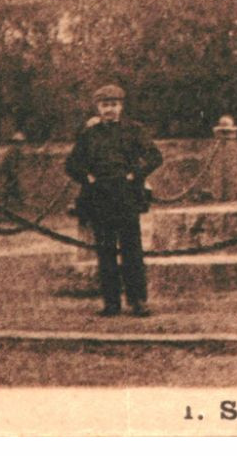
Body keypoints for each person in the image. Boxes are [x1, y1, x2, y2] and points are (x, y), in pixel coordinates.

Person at [65, 84, 163, 318]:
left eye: (114, 104)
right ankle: (111, 303)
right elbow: (71, 164)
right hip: (100, 197)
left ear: (121, 106)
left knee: (132, 250)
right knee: (105, 252)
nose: (110, 109)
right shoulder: (89, 135)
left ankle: (138, 301)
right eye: (105, 105)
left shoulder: (134, 130)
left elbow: (154, 157)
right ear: (98, 107)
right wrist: (86, 177)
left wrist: (135, 175)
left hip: (127, 195)